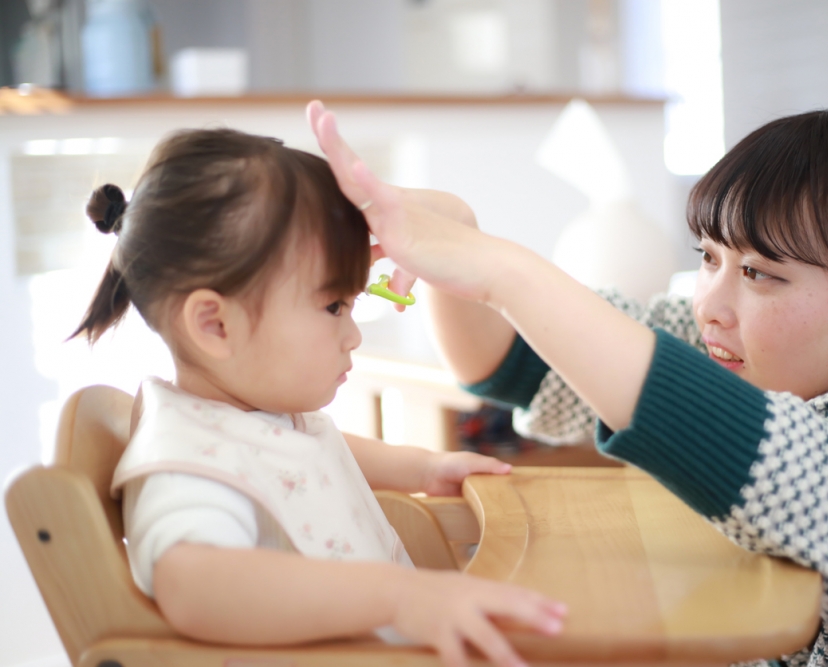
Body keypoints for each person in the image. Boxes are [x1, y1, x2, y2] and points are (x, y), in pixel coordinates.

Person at [309, 101, 828, 666]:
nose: (710, 305)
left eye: (761, 273)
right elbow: (518, 362)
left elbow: (807, 472)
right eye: (708, 257)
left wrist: (506, 270)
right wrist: (456, 236)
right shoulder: (748, 348)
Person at [72, 127, 566, 667]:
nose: (352, 335)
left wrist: (423, 469)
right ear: (215, 324)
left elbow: (316, 451)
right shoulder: (183, 462)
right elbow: (190, 583)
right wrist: (401, 597)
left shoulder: (249, 415)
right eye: (334, 306)